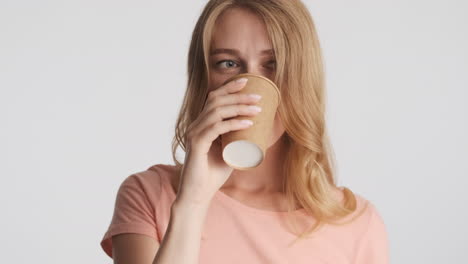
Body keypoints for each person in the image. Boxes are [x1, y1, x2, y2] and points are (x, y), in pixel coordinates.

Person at [100, 0, 390, 263]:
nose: (249, 87)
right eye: (228, 64)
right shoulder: (149, 195)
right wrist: (192, 203)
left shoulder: (357, 224)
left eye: (272, 64)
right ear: (205, 80)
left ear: (302, 78)